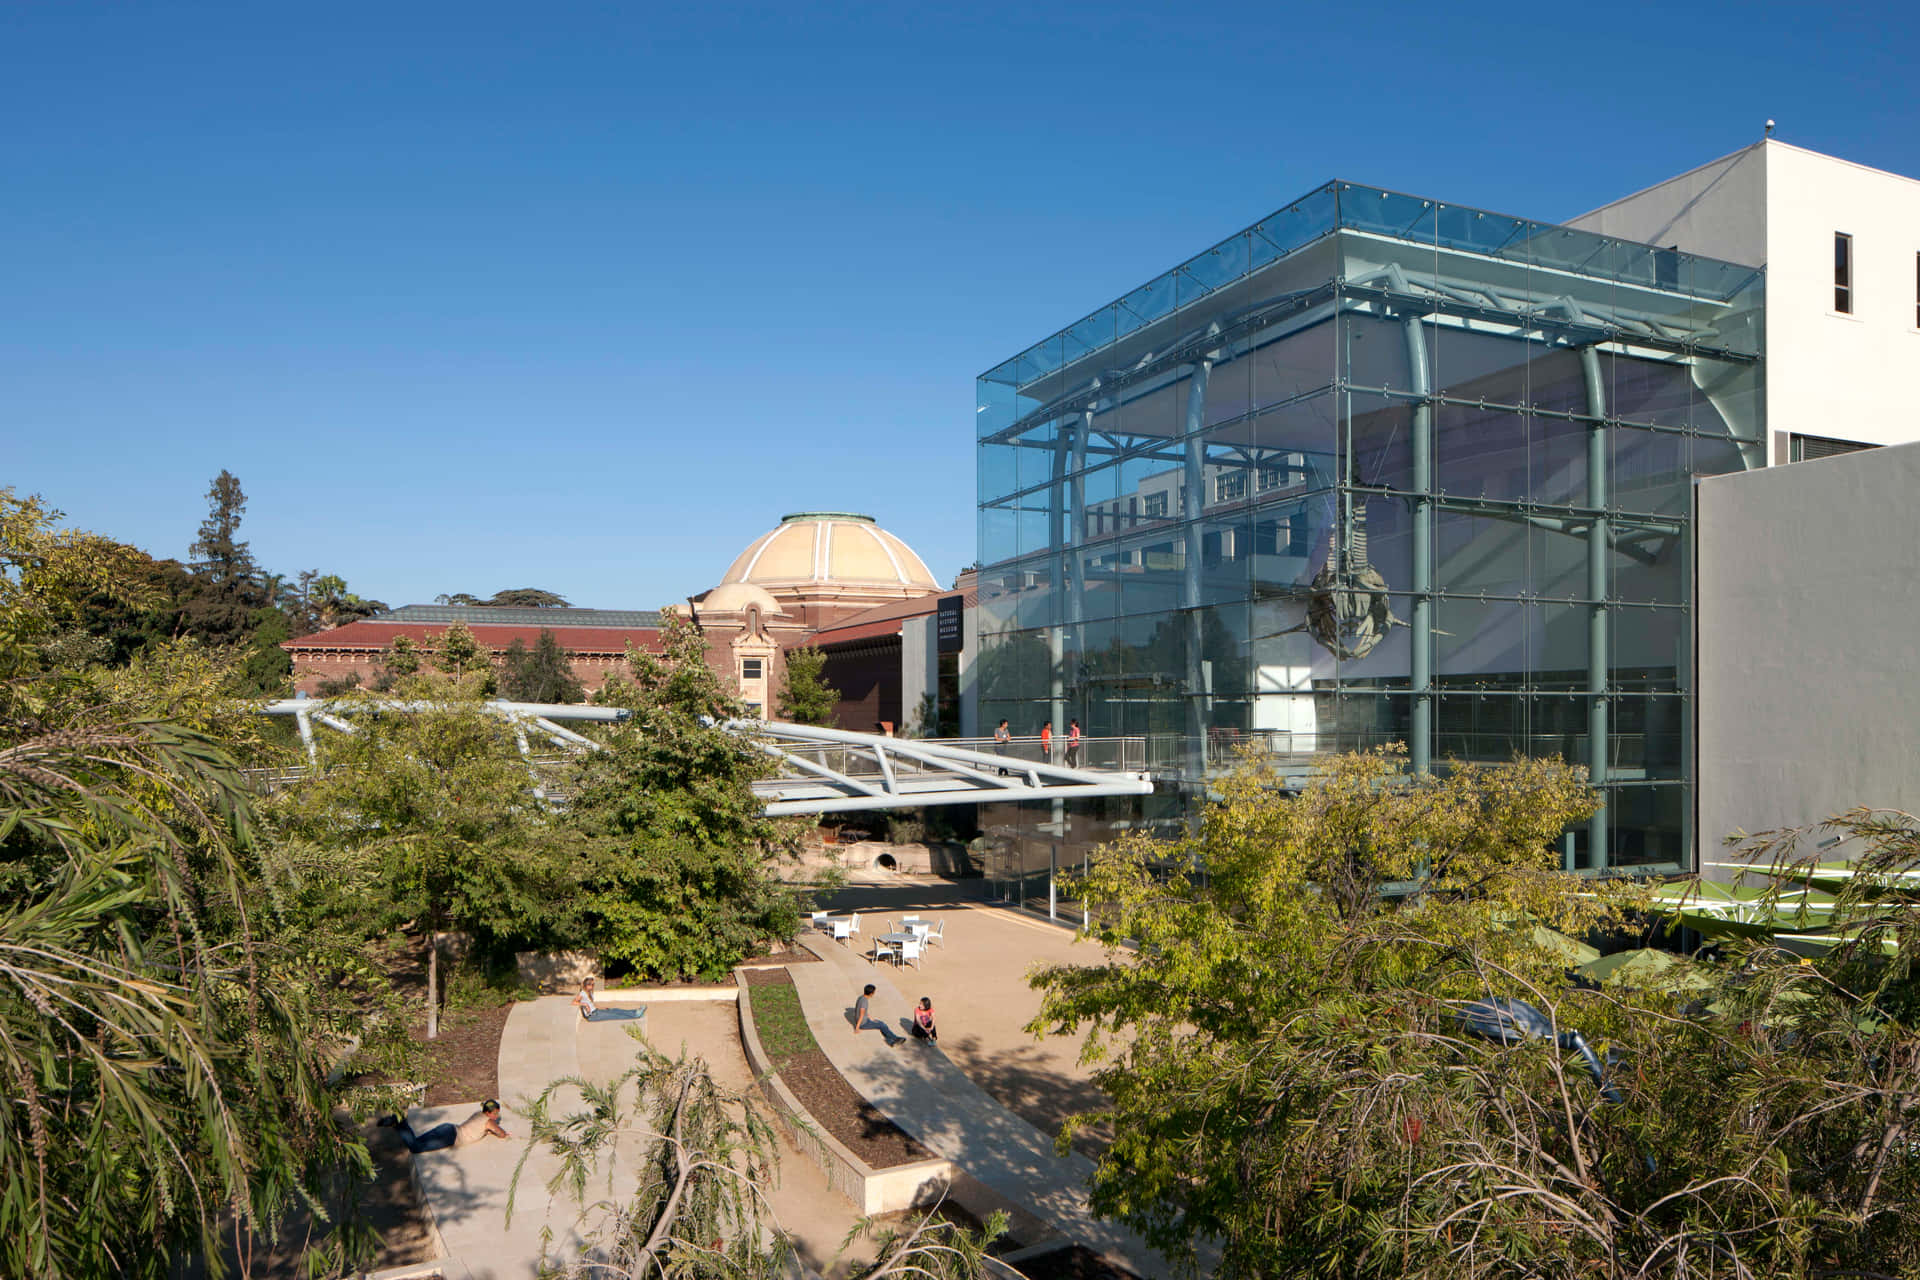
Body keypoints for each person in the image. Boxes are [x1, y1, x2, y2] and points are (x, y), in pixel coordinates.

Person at [377, 1099, 510, 1154]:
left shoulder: (478, 1113)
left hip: (448, 1128)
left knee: (417, 1142)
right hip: (451, 1137)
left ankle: (398, 1121)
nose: (497, 1116)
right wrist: (499, 1133)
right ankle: (400, 1123)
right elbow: (501, 1133)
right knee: (416, 1148)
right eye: (495, 1113)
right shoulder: (489, 1121)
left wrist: (487, 1131)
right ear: (488, 1113)